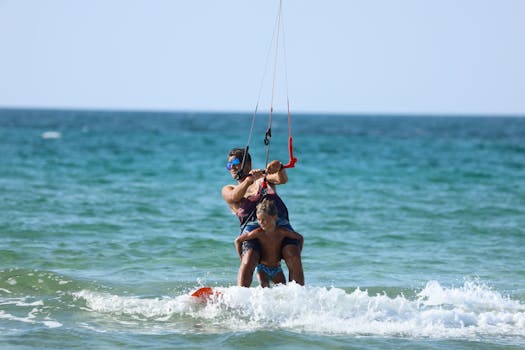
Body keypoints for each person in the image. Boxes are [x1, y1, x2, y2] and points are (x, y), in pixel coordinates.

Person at [222, 147, 304, 287]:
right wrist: (249, 180)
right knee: (249, 258)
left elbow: (282, 179)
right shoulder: (228, 189)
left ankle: (297, 295)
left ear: (248, 164)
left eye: (235, 162)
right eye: (229, 165)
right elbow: (234, 196)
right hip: (253, 231)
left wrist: (278, 166)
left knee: (293, 254)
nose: (232, 167)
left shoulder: (264, 179)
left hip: (280, 226)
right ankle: (241, 296)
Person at [234, 199, 304, 287]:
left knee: (283, 289)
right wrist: (241, 257)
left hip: (277, 269)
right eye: (259, 219)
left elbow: (300, 238)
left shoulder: (282, 232)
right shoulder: (258, 232)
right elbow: (237, 241)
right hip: (262, 268)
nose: (260, 222)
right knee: (265, 288)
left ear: (275, 217)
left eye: (264, 220)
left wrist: (299, 253)